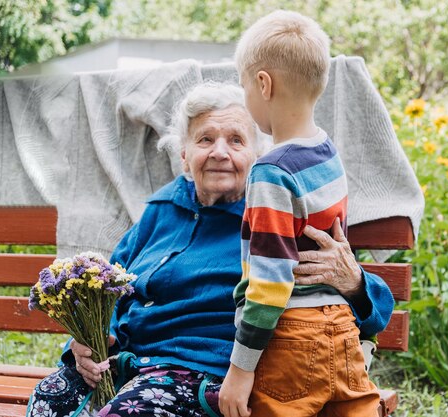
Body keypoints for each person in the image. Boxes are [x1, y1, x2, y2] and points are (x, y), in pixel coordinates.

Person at [26, 82, 394, 417]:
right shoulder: (162, 209)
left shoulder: (273, 219)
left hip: (204, 375)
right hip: (125, 365)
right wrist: (87, 342)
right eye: (205, 140)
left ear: (257, 156)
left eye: (236, 140)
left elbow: (362, 309)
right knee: (49, 397)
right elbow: (111, 287)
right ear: (184, 155)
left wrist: (354, 283)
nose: (220, 152)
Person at [218, 11, 386, 417]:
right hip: (343, 331)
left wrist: (240, 371)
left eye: (244, 86)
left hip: (292, 340)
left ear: (263, 84)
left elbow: (270, 280)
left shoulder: (270, 172)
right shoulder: (327, 151)